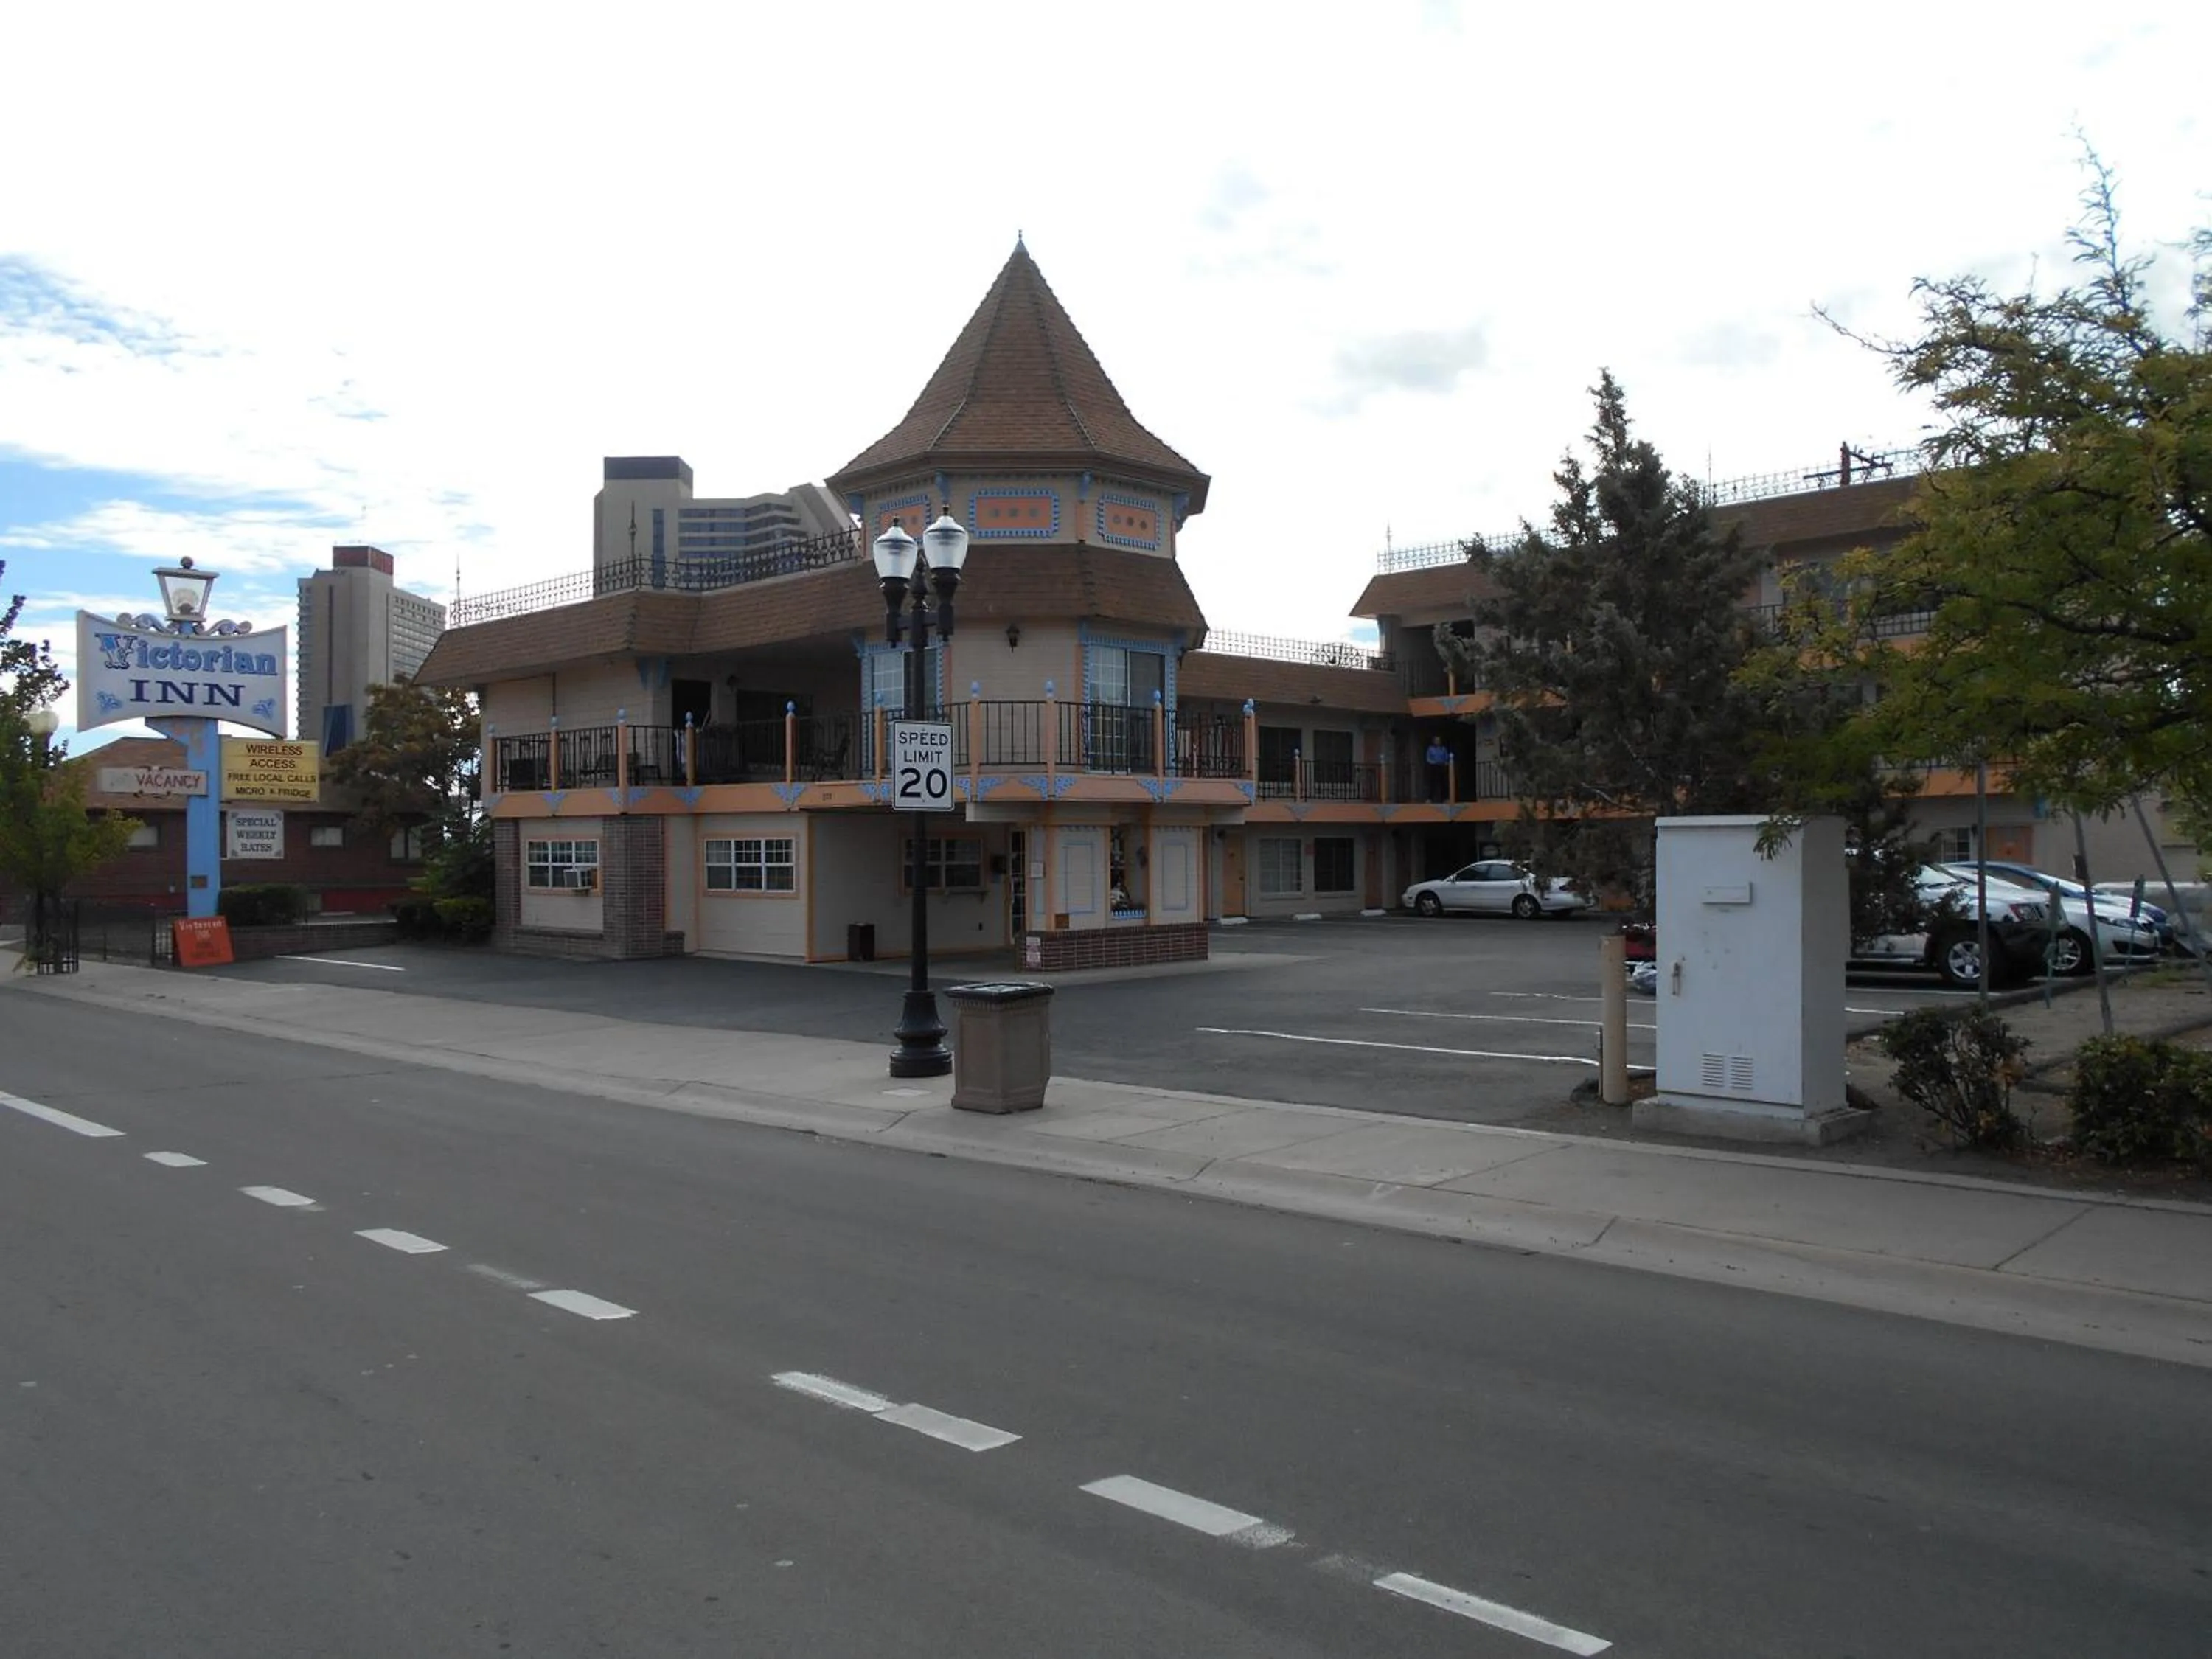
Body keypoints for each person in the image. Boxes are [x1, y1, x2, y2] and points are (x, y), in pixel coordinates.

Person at [1425, 734, 1452, 802]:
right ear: (1433, 741)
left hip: (1442, 766)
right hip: (1433, 767)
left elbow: (1446, 757)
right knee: (1432, 783)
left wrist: (1446, 763)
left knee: (1443, 782)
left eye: (1439, 740)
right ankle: (1430, 798)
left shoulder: (1443, 749)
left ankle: (1445, 798)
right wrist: (1434, 762)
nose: (1437, 742)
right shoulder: (1430, 749)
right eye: (1436, 740)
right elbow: (1428, 758)